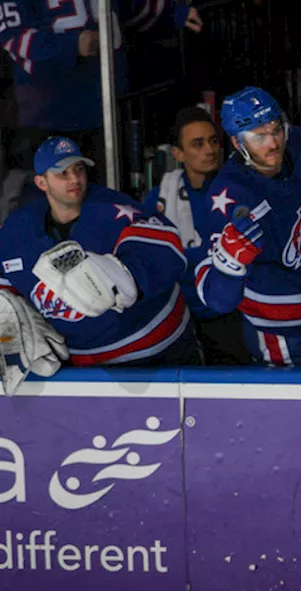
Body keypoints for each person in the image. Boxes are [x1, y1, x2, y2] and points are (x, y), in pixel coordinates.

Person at [193, 86, 301, 367]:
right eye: (259, 136)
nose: (272, 143)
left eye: (276, 129)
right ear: (237, 142)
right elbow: (215, 298)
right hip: (282, 331)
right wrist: (229, 262)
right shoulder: (228, 197)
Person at [0, 136, 197, 367]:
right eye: (62, 173)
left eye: (79, 169)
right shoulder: (16, 231)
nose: (74, 178)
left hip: (153, 353)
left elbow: (167, 249)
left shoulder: (115, 210)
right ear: (41, 183)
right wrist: (15, 329)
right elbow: (6, 292)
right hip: (77, 366)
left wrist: (131, 275)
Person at [0, 1, 202, 192]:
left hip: (109, 108)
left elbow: (129, 6)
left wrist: (174, 13)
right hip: (50, 116)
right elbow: (14, 36)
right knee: (54, 205)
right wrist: (73, 45)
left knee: (111, 198)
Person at [142, 106, 247, 365]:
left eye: (213, 141)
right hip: (179, 315)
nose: (210, 150)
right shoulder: (161, 198)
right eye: (197, 144)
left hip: (231, 314)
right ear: (178, 153)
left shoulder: (242, 189)